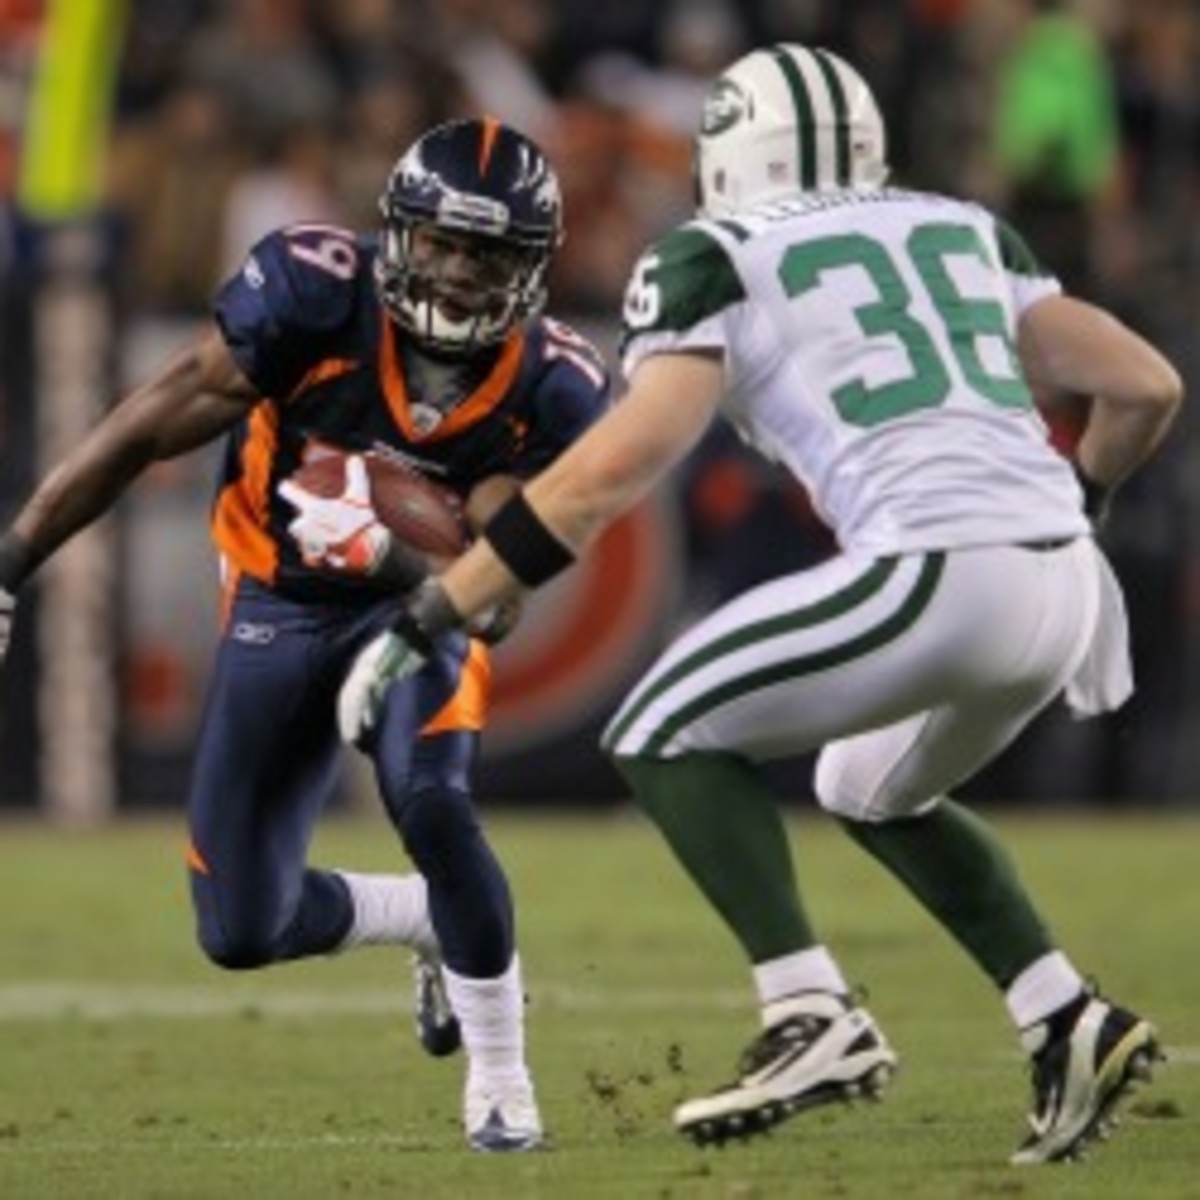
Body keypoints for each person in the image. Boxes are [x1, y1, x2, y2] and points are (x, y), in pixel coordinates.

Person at [335, 45, 1182, 1165]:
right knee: (868, 785)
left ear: (726, 156)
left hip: (935, 566)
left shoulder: (715, 252)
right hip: (1068, 580)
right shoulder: (966, 226)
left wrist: (429, 615)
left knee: (656, 727)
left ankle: (808, 1011)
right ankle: (1066, 1016)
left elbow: (607, 476)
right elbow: (1146, 386)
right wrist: (1076, 500)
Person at [0, 116, 610, 1151]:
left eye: (491, 255)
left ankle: (502, 1077)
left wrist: (398, 561)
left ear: (531, 268)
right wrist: (12, 563)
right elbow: (152, 418)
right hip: (277, 599)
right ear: (399, 234)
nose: (462, 276)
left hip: (420, 612)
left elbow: (497, 596)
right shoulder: (315, 295)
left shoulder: (551, 384)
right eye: (446, 244)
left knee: (432, 801)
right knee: (241, 929)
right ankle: (418, 920)